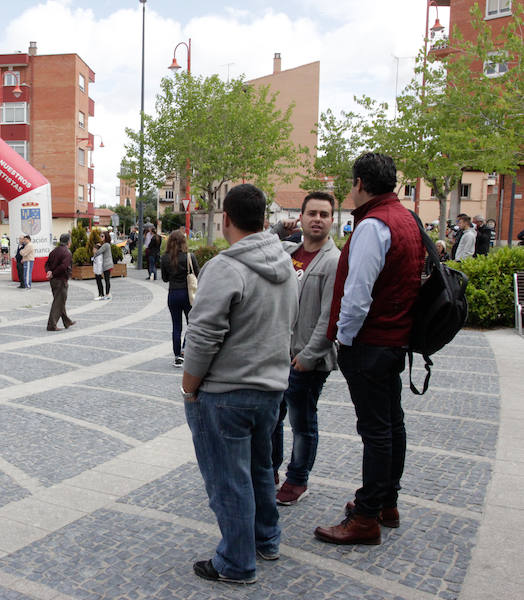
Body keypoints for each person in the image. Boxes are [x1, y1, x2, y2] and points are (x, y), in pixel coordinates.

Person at [181, 184, 298, 585]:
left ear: (226, 219)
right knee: (260, 470)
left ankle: (235, 562)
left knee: (228, 479)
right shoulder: (285, 265)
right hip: (270, 389)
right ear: (264, 219)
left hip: (226, 393)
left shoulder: (225, 268)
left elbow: (203, 334)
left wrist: (188, 386)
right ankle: (267, 540)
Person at [314, 152, 424, 546]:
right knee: (391, 424)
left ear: (360, 183)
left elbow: (357, 294)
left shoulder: (373, 225)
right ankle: (385, 503)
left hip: (371, 343)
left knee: (376, 431)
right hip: (395, 338)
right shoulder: (407, 219)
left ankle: (366, 517)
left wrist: (344, 338)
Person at [268, 192, 340, 506]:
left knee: (302, 422)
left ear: (331, 220)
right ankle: (269, 469)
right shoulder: (289, 250)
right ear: (302, 216)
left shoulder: (335, 261)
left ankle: (298, 478)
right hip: (279, 355)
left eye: (324, 214)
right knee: (271, 417)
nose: (317, 219)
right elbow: (259, 244)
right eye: (312, 213)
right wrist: (279, 229)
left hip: (306, 360)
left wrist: (309, 356)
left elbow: (331, 316)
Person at [161, 229, 198, 367]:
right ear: (184, 241)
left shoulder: (165, 258)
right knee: (192, 324)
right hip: (188, 295)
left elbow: (164, 279)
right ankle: (184, 350)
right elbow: (197, 274)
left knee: (176, 326)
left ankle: (177, 356)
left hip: (173, 295)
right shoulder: (189, 256)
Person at [45, 233, 76, 331]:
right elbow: (64, 266)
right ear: (68, 242)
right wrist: (53, 273)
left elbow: (47, 263)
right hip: (61, 280)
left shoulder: (54, 251)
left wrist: (49, 271)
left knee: (59, 301)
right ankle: (51, 325)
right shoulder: (67, 252)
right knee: (58, 302)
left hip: (53, 280)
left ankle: (67, 321)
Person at [92, 230, 113, 300]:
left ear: (106, 237)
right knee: (105, 279)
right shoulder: (105, 245)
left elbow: (98, 252)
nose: (101, 237)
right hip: (107, 264)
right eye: (100, 236)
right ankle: (104, 294)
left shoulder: (106, 245)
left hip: (107, 265)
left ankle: (106, 294)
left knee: (106, 280)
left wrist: (96, 248)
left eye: (102, 236)